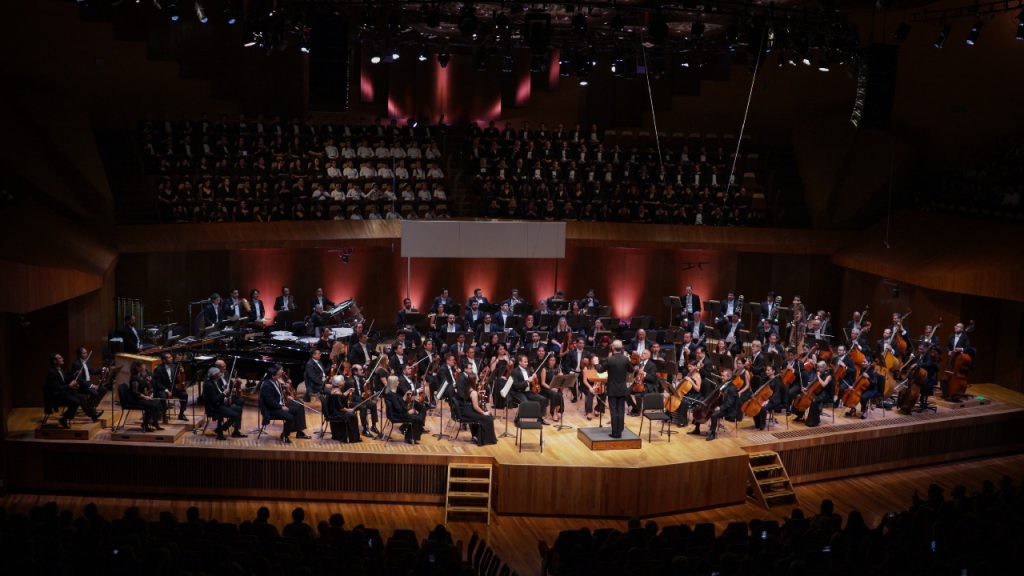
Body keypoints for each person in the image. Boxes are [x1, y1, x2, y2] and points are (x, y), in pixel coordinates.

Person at [44, 353, 102, 428]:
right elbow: (57, 388)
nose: (62, 359)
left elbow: (64, 380)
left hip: (64, 393)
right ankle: (64, 418)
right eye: (60, 358)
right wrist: (69, 386)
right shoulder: (52, 372)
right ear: (55, 361)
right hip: (56, 396)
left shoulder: (58, 369)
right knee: (75, 402)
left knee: (82, 397)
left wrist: (74, 375)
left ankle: (93, 415)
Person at [259, 365, 308, 443]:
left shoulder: (275, 381)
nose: (281, 374)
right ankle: (285, 435)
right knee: (290, 417)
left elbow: (278, 393)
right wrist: (281, 407)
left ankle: (299, 431)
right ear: (273, 375)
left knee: (299, 406)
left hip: (279, 404)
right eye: (279, 373)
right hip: (271, 409)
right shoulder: (267, 385)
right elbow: (270, 402)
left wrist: (287, 395)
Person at [592, 340, 631, 438]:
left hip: (612, 389)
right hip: (622, 389)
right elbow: (631, 370)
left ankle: (615, 433)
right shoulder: (625, 359)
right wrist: (628, 360)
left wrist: (596, 363)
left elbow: (600, 370)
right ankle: (620, 431)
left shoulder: (610, 359)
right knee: (621, 410)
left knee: (614, 411)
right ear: (621, 348)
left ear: (613, 348)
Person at [202, 367, 242, 440]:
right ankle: (220, 430)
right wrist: (224, 393)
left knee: (238, 409)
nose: (220, 375)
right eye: (218, 374)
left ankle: (235, 432)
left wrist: (225, 399)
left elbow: (218, 396)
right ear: (214, 375)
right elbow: (214, 400)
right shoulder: (209, 385)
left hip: (219, 405)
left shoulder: (214, 382)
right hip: (214, 408)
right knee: (235, 415)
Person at [509, 353, 550, 423]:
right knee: (526, 402)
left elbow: (533, 381)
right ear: (520, 362)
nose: (527, 363)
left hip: (528, 392)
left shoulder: (528, 370)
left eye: (527, 361)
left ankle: (540, 418)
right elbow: (516, 386)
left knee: (543, 399)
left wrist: (535, 378)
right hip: (518, 392)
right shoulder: (514, 371)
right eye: (525, 362)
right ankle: (518, 419)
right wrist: (527, 381)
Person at [385, 375, 424, 444]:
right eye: (397, 381)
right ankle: (411, 438)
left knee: (417, 417)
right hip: (397, 416)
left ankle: (409, 437)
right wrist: (408, 411)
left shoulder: (392, 393)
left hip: (397, 414)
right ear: (394, 383)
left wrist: (404, 397)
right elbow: (398, 408)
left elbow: (398, 404)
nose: (398, 382)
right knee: (418, 419)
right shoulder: (392, 395)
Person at [461, 374, 497, 445]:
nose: (477, 381)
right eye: (476, 380)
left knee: (487, 417)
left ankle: (476, 436)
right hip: (470, 412)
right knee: (488, 418)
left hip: (466, 410)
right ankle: (484, 440)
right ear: (473, 381)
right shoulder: (473, 392)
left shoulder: (466, 388)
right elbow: (475, 407)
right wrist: (483, 413)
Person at [127, 360, 162, 432]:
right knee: (151, 405)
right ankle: (145, 425)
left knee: (158, 402)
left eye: (144, 366)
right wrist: (146, 397)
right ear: (137, 368)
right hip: (136, 399)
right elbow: (135, 393)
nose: (144, 368)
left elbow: (149, 387)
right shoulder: (135, 378)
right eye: (143, 367)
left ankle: (154, 422)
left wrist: (151, 393)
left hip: (143, 397)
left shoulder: (143, 375)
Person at [153, 353, 189, 422]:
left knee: (184, 395)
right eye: (169, 358)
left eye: (171, 357)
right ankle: (164, 415)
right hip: (162, 389)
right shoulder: (158, 369)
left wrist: (182, 371)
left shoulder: (174, 366)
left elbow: (177, 380)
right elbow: (158, 383)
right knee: (162, 396)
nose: (171, 358)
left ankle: (181, 414)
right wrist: (166, 390)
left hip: (172, 388)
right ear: (164, 360)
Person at [538, 354, 564, 422]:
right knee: (554, 393)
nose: (553, 362)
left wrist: (561, 376)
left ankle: (558, 409)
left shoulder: (558, 368)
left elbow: (560, 381)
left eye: (554, 360)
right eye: (551, 360)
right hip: (545, 388)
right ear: (548, 361)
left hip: (555, 387)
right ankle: (554, 413)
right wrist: (551, 388)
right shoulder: (544, 369)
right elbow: (543, 383)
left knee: (559, 393)